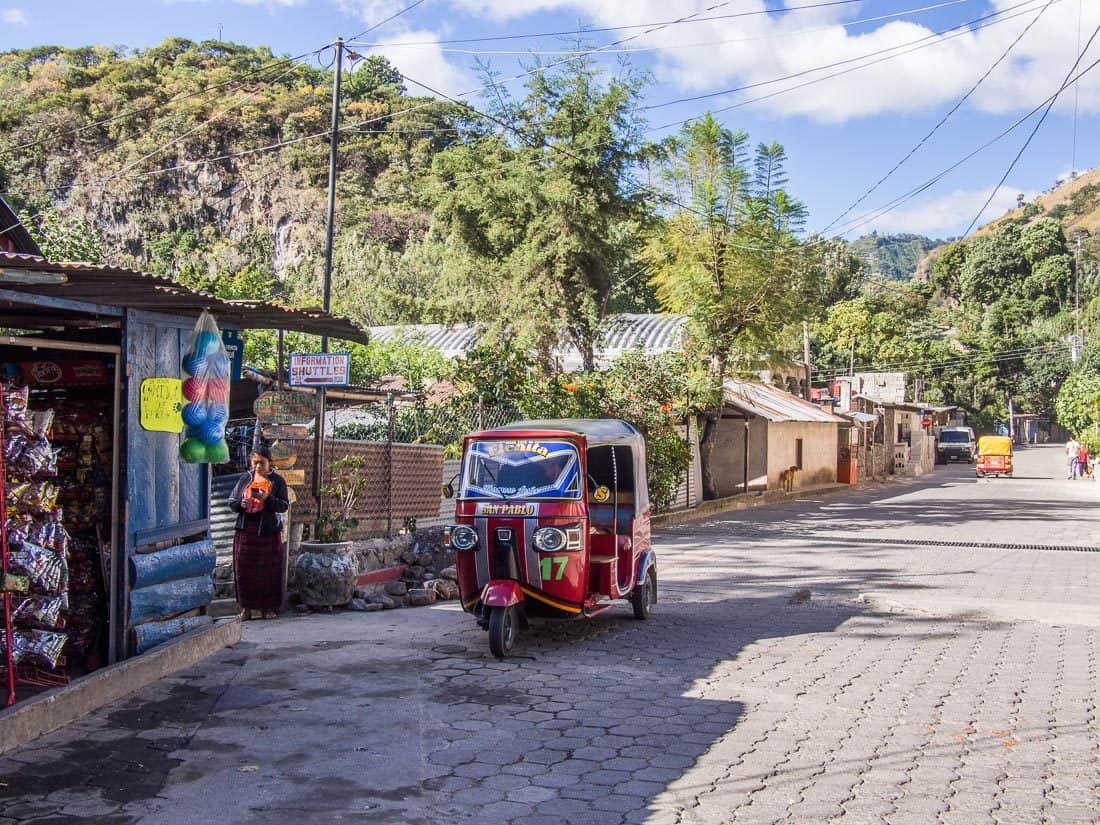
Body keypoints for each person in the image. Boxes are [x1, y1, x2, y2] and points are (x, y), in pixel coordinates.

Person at [228, 445, 289, 620]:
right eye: (255, 463)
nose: (258, 467)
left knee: (267, 572)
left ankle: (267, 608)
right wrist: (241, 504)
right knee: (244, 571)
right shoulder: (244, 479)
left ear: (269, 463)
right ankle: (246, 609)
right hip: (246, 532)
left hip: (268, 533)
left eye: (261, 463)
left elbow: (283, 506)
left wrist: (267, 498)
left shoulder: (277, 482)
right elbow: (232, 501)